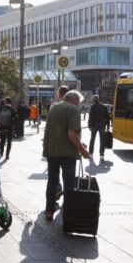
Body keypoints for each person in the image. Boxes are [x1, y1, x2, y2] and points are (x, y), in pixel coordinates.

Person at [42, 90, 89, 220]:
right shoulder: (73, 109)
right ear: (74, 100)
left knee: (52, 181)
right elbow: (71, 134)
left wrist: (81, 143)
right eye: (78, 102)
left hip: (51, 151)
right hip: (67, 153)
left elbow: (59, 130)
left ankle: (49, 211)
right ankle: (68, 212)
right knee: (69, 183)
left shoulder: (54, 107)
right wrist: (83, 151)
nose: (79, 105)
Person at [88, 95, 111, 161]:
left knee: (92, 139)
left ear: (94, 100)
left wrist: (89, 126)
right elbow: (108, 117)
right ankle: (101, 155)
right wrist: (108, 126)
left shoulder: (92, 106)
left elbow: (90, 117)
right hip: (102, 125)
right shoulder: (104, 106)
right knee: (102, 140)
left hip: (94, 125)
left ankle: (91, 154)